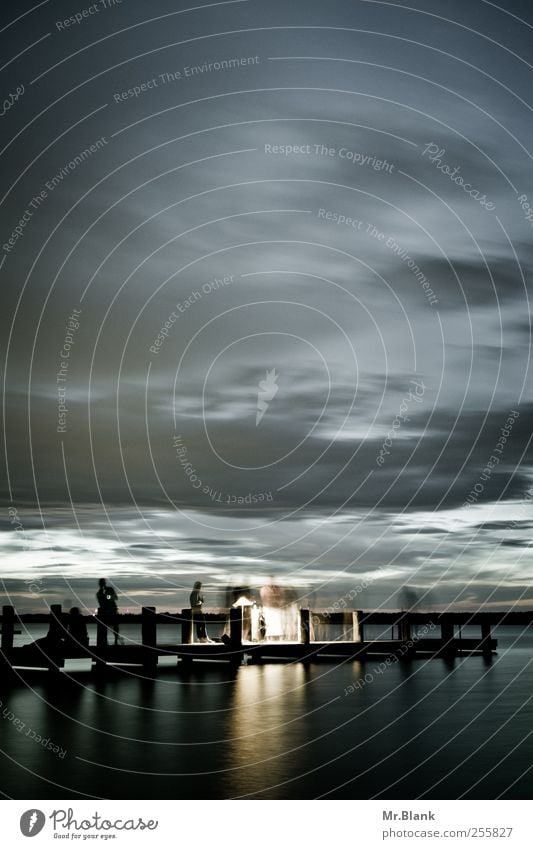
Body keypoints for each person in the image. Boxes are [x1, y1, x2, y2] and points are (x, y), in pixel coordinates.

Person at [97, 579, 122, 645]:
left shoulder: (110, 589)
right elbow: (100, 603)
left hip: (112, 609)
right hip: (105, 611)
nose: (102, 584)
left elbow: (115, 598)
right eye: (101, 583)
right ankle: (105, 641)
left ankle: (116, 641)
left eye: (102, 583)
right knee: (104, 626)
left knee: (115, 625)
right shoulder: (99, 593)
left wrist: (108, 597)